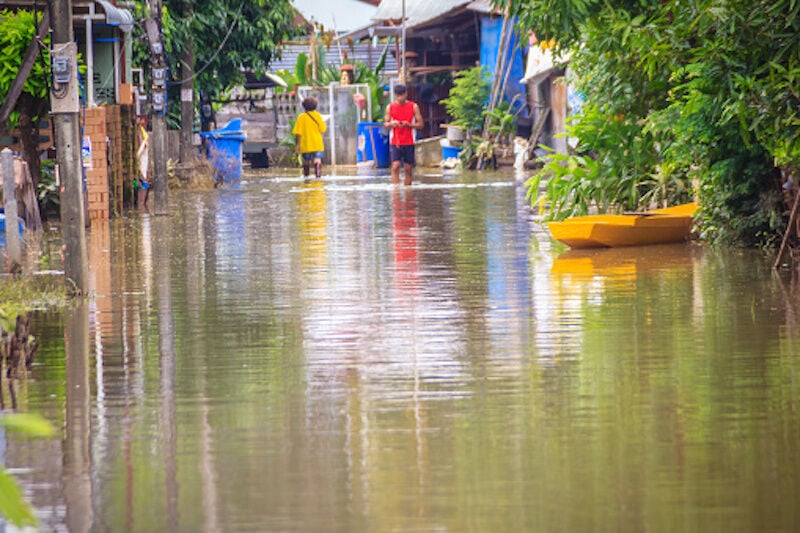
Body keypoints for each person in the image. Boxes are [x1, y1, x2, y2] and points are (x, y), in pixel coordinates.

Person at [384, 84, 423, 186]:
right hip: (395, 141)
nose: (400, 98)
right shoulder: (390, 107)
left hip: (409, 141)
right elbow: (386, 124)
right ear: (395, 95)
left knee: (408, 168)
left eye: (402, 95)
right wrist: (392, 124)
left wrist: (409, 125)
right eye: (398, 96)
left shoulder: (414, 106)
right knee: (395, 166)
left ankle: (408, 190)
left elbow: (421, 125)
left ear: (406, 94)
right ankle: (396, 189)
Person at [293, 97, 326, 178]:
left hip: (306, 144)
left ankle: (306, 177)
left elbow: (298, 133)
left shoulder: (301, 117)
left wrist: (297, 145)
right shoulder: (318, 116)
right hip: (317, 144)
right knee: (317, 159)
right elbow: (323, 129)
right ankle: (318, 177)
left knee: (306, 161)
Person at [135, 117, 150, 208]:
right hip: (142, 158)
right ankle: (142, 203)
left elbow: (141, 149)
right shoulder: (140, 132)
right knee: (142, 179)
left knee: (143, 178)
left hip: (142, 158)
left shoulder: (142, 133)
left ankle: (142, 202)